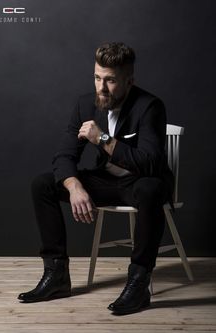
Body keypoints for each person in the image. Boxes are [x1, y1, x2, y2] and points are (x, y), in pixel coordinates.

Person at [18, 42, 174, 315]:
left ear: (129, 81)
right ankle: (57, 275)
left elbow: (151, 162)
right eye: (97, 78)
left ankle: (138, 282)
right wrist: (74, 185)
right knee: (42, 184)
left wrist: (102, 139)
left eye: (111, 80)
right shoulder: (85, 104)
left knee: (151, 188)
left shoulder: (149, 106)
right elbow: (65, 155)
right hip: (107, 181)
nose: (101, 88)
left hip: (139, 182)